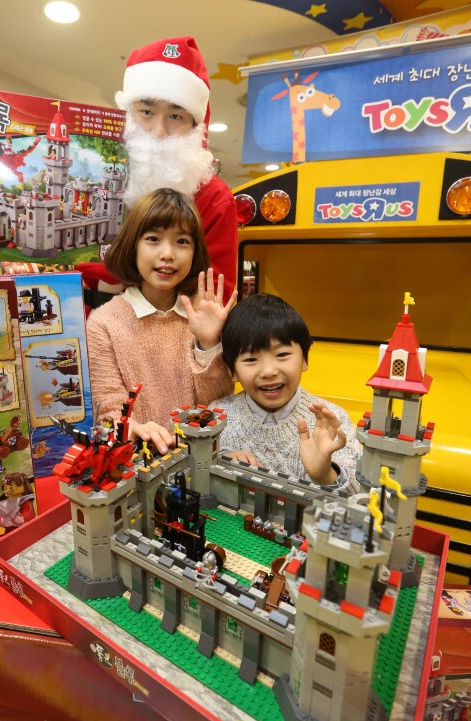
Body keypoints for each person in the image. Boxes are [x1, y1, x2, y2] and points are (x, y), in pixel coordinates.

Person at [76, 36, 238, 308]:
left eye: (175, 116)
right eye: (147, 112)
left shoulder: (214, 197)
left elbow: (215, 296)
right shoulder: (98, 174)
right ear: (129, 114)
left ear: (195, 126)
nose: (159, 131)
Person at [87, 187, 236, 454]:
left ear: (195, 252)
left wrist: (208, 344)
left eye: (182, 241)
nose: (167, 253)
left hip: (203, 460)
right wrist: (132, 427)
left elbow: (221, 403)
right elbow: (107, 407)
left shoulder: (204, 314)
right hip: (137, 461)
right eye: (153, 239)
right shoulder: (104, 323)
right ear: (132, 246)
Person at [209, 293, 361, 492]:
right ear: (232, 371)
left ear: (304, 360)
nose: (268, 371)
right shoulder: (218, 416)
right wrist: (221, 462)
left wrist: (325, 474)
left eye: (282, 355)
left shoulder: (332, 420)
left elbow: (358, 493)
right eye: (251, 359)